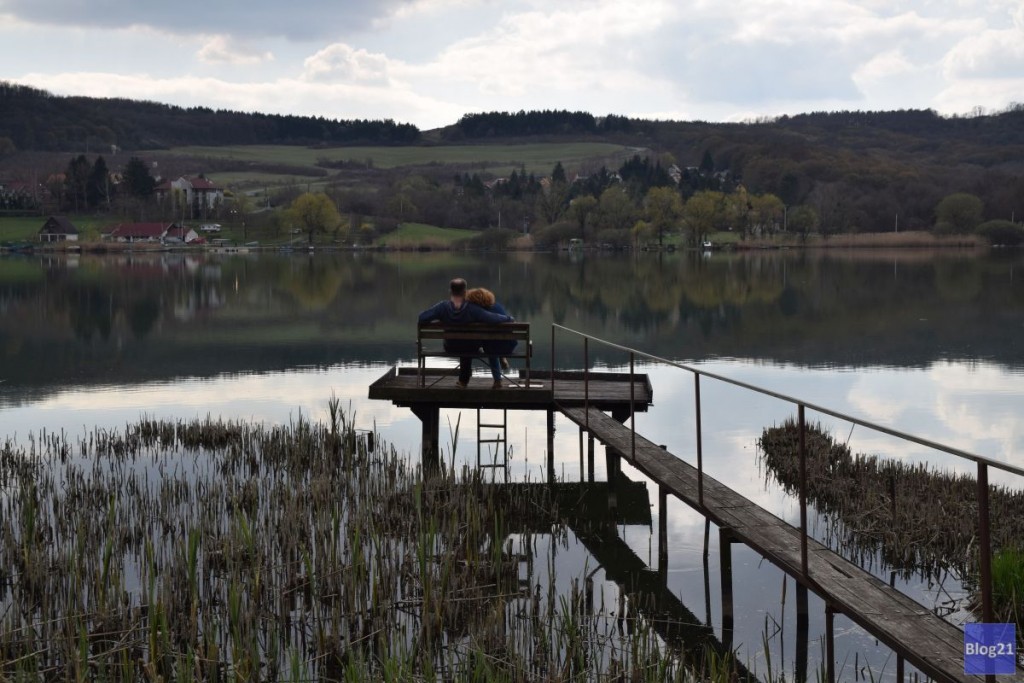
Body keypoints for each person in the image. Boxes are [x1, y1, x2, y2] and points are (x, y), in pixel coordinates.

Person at [418, 278, 513, 388]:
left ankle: (463, 381)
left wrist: (440, 318)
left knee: (462, 343)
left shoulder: (442, 307)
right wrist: (509, 318)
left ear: (450, 291)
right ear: (465, 291)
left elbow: (422, 318)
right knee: (468, 343)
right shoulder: (472, 308)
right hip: (471, 347)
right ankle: (493, 378)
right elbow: (493, 318)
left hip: (451, 347)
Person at [466, 287, 517, 384]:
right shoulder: (498, 307)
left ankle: (497, 380)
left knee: (490, 346)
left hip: (492, 347)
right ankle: (502, 358)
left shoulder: (477, 313)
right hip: (509, 345)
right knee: (493, 342)